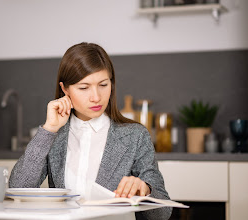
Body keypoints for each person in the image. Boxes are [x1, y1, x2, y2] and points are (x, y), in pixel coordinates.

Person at [9, 42, 172, 220]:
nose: (96, 97)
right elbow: (18, 189)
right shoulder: (55, 135)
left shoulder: (135, 136)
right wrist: (49, 130)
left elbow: (162, 214)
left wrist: (144, 190)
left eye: (103, 85)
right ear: (65, 89)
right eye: (84, 88)